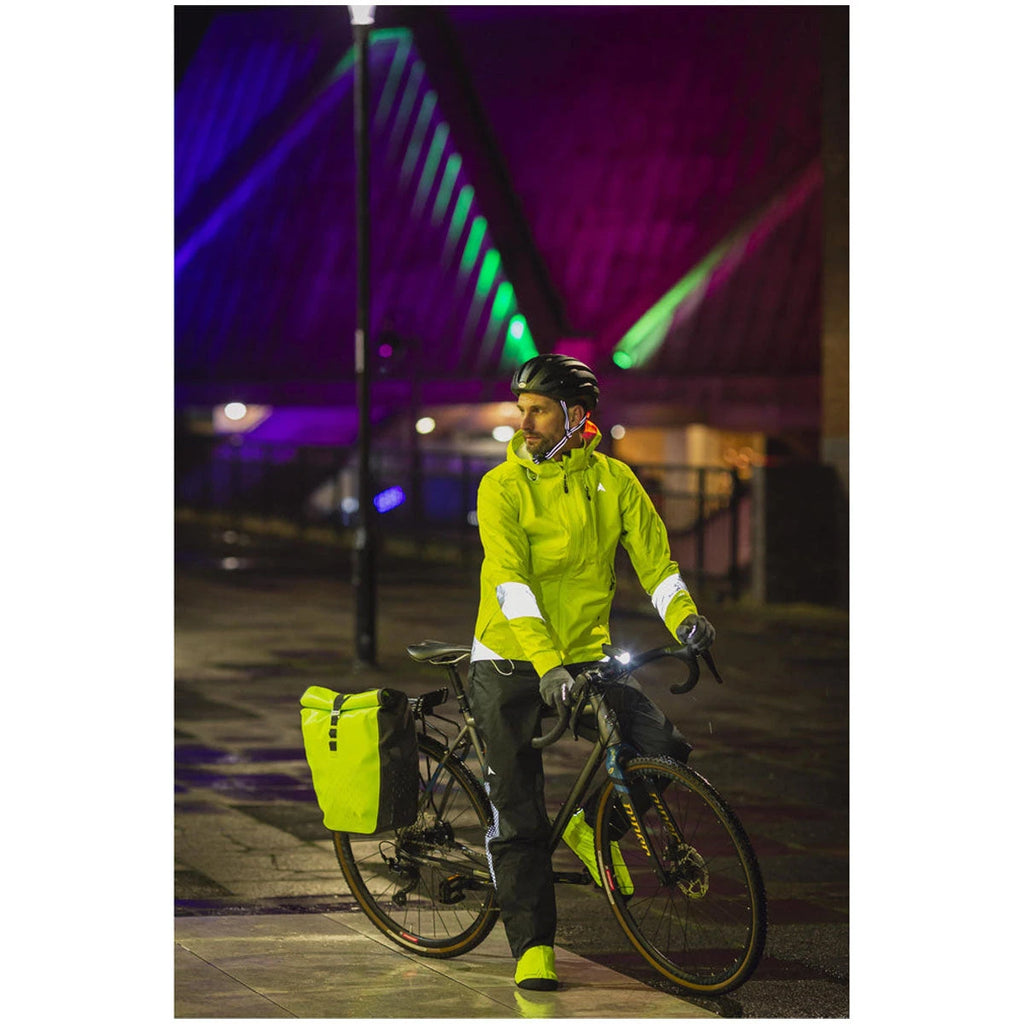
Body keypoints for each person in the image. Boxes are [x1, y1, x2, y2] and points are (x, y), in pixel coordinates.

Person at [467, 353, 716, 990]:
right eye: (521, 410)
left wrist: (685, 619)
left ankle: (591, 827)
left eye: (538, 410)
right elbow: (511, 585)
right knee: (519, 811)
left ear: (576, 416)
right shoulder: (501, 487)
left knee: (661, 747)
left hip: (585, 654)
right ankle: (533, 947)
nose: (524, 423)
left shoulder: (615, 480)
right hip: (510, 658)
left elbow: (657, 565)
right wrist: (546, 664)